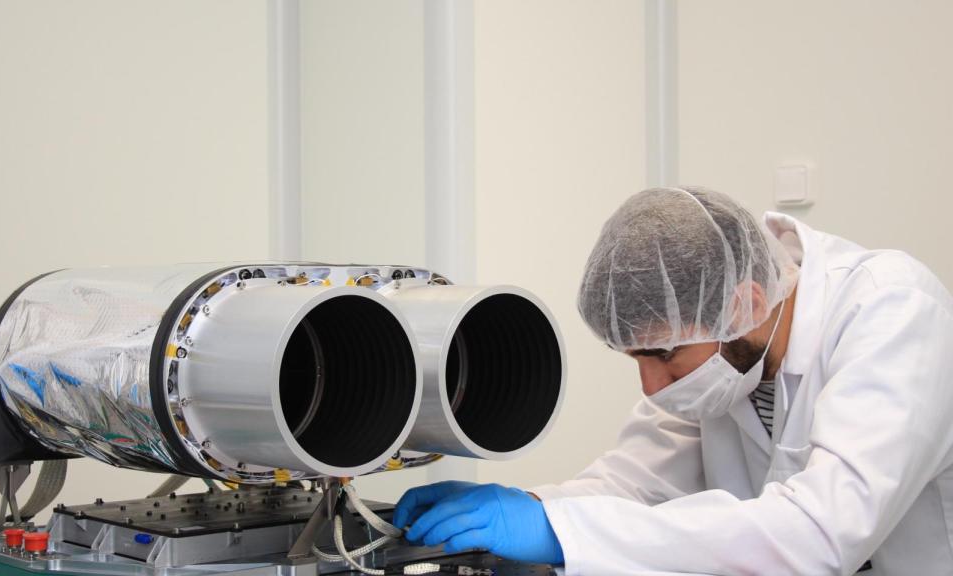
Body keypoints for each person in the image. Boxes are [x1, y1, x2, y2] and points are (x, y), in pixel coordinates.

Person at [392, 186, 953, 575]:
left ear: (746, 304)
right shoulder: (726, 358)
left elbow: (817, 532)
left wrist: (559, 529)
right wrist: (529, 504)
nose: (652, 387)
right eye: (635, 357)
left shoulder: (892, 312)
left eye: (663, 353)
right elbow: (633, 484)